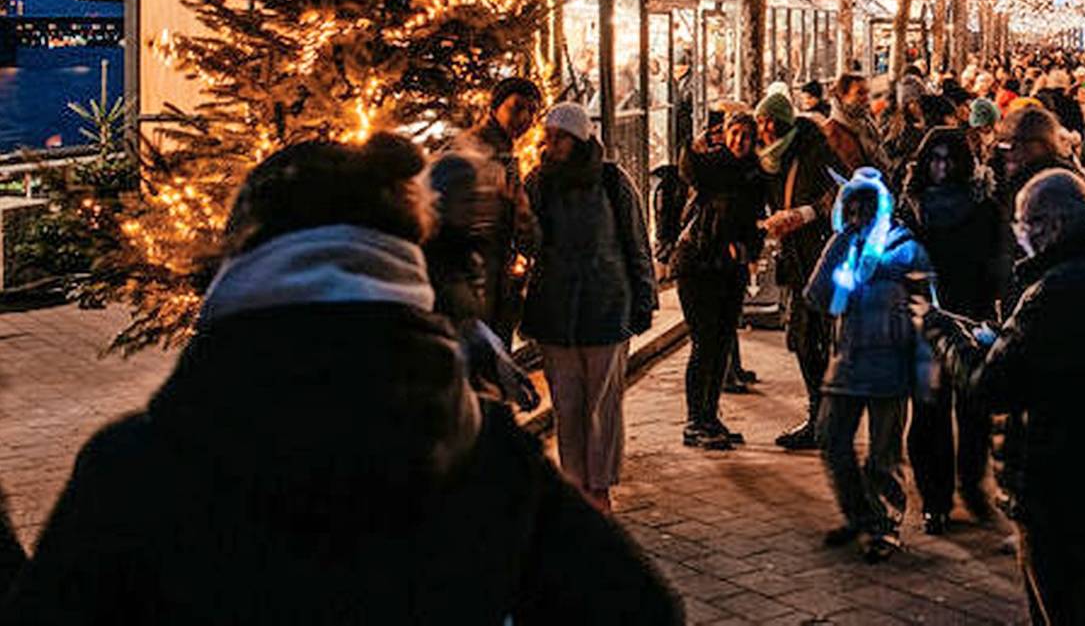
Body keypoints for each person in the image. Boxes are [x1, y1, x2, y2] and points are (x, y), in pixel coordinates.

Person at [2, 135, 679, 624]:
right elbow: (638, 607)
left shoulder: (133, 470)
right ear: (405, 266)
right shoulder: (489, 463)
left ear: (239, 264)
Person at [920, 168, 1085, 626]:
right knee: (1084, 602)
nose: (1020, 237)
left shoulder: (1051, 294)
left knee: (1060, 607)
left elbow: (990, 386)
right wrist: (1000, 339)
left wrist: (943, 331)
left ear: (1051, 228)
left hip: (1054, 488)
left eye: (1024, 226)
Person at [520, 102, 658, 512]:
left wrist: (644, 298)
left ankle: (600, 487)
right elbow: (530, 245)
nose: (552, 144)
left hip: (605, 305)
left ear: (579, 138)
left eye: (560, 137)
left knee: (603, 404)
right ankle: (575, 485)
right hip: (556, 311)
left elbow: (636, 243)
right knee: (566, 403)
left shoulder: (612, 181)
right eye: (549, 136)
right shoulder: (539, 183)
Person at [804, 168, 932, 563]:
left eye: (866, 206)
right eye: (853, 206)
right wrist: (841, 242)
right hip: (848, 363)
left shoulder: (904, 248)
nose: (859, 214)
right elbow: (817, 295)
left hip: (890, 366)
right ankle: (861, 514)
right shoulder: (846, 245)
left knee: (884, 455)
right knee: (831, 439)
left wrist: (926, 368)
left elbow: (929, 309)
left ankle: (884, 524)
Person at [897, 127, 1007, 533]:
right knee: (928, 413)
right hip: (925, 322)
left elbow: (999, 265)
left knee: (974, 410)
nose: (941, 167)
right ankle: (935, 498)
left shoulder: (984, 208)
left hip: (972, 319)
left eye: (949, 160)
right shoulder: (912, 207)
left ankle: (971, 482)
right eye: (934, 159)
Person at [670, 110, 768, 449]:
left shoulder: (755, 171)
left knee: (722, 343)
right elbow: (689, 166)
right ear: (724, 134)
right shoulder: (711, 164)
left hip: (731, 269)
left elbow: (755, 218)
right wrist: (693, 143)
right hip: (698, 266)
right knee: (705, 343)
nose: (740, 141)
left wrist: (749, 251)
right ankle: (695, 422)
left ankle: (710, 417)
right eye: (735, 133)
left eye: (746, 135)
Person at [755, 87, 847, 450]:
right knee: (804, 340)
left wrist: (804, 214)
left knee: (815, 340)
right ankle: (822, 416)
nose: (761, 130)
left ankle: (824, 419)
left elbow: (840, 192)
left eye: (765, 123)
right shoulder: (770, 161)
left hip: (821, 259)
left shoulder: (813, 151)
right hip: (795, 262)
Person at [426, 76, 542, 345]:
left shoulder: (505, 155)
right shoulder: (473, 154)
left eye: (532, 111)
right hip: (475, 285)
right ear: (495, 108)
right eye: (516, 107)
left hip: (493, 285)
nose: (524, 117)